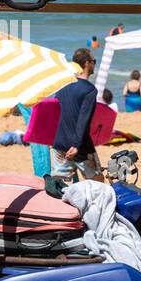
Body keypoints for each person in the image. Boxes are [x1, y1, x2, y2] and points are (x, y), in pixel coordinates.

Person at [50, 48, 100, 181]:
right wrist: (76, 145)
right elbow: (83, 120)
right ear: (87, 63)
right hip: (80, 145)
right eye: (94, 61)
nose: (95, 64)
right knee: (97, 181)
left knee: (59, 184)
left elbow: (55, 111)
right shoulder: (90, 90)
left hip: (60, 142)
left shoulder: (63, 85)